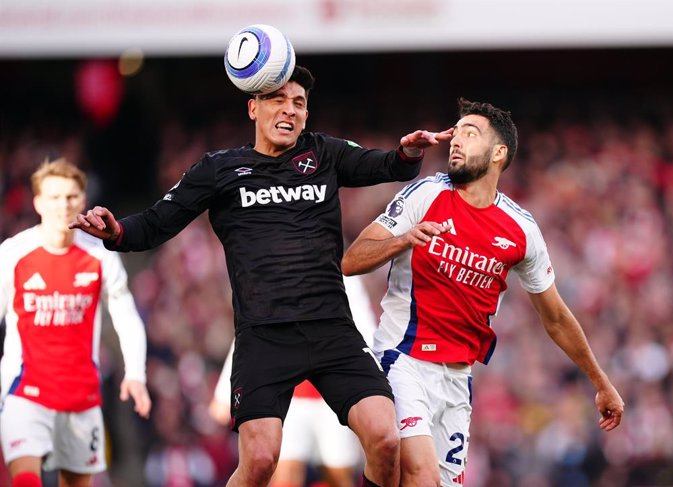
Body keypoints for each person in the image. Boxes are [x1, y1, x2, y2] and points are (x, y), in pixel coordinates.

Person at [69, 65, 453, 487]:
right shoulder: (219, 169)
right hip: (264, 336)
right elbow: (157, 222)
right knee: (261, 459)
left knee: (384, 437)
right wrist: (116, 231)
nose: (290, 110)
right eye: (278, 100)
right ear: (253, 108)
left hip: (331, 329)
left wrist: (408, 154)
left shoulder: (323, 153)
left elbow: (386, 166)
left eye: (299, 103)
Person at [341, 98, 625, 487]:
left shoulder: (520, 229)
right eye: (455, 133)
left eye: (469, 133)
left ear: (499, 152)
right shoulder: (427, 194)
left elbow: (555, 317)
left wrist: (601, 382)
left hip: (458, 379)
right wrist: (403, 239)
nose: (455, 141)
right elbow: (352, 260)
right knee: (420, 475)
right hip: (402, 358)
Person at [0, 158, 151, 487]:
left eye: (70, 197)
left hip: (81, 395)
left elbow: (126, 316)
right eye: (54, 197)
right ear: (38, 202)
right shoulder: (13, 254)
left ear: (82, 200)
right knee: (27, 480)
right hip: (24, 391)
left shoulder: (100, 257)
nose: (62, 205)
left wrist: (136, 374)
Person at [209, 274, 377, 487]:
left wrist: (372, 385)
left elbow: (364, 330)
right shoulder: (273, 272)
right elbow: (252, 331)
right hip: (288, 396)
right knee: (284, 475)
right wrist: (224, 393)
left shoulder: (341, 276)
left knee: (339, 475)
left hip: (332, 399)